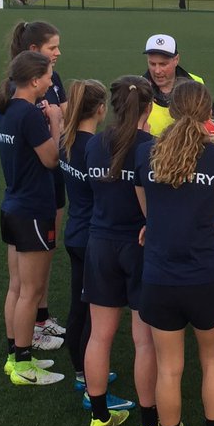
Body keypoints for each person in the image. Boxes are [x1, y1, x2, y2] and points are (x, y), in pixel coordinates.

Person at [135, 81, 214, 426]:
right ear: (208, 111)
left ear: (172, 110)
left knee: (169, 368)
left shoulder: (147, 153)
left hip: (160, 278)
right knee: (213, 363)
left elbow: (148, 210)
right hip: (205, 276)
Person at [145, 32, 214, 333]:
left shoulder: (195, 83)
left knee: (200, 248)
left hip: (196, 183)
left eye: (163, 63)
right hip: (162, 183)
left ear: (177, 60)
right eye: (152, 63)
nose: (157, 70)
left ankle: (206, 312)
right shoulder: (140, 89)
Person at [82, 76, 157, 426]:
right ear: (149, 108)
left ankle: (99, 416)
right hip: (139, 247)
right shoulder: (150, 147)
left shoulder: (95, 144)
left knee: (100, 335)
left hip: (100, 244)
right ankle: (150, 424)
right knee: (144, 340)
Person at [0, 50, 65, 387]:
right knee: (31, 290)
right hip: (33, 210)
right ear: (35, 80)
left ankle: (15, 356)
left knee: (17, 287)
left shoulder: (6, 109)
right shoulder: (29, 115)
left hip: (12, 205)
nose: (52, 81)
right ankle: (24, 363)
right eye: (49, 75)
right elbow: (52, 159)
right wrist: (55, 122)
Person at [59, 79, 125, 400]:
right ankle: (89, 383)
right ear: (101, 109)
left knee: (78, 309)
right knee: (91, 318)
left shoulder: (66, 141)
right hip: (91, 238)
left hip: (74, 233)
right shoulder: (93, 147)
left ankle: (81, 372)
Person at [8, 20, 68, 348]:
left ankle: (40, 320)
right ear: (34, 53)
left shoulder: (49, 80)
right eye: (52, 48)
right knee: (25, 280)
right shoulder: (17, 96)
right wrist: (56, 121)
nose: (58, 53)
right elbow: (47, 152)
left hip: (39, 190)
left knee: (45, 255)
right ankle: (23, 344)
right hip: (32, 192)